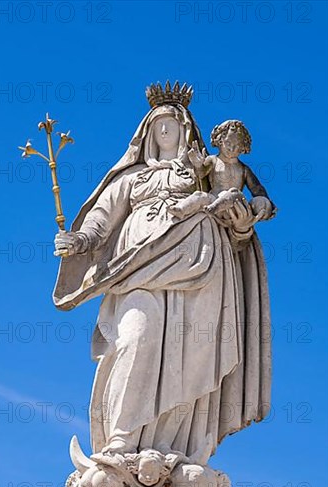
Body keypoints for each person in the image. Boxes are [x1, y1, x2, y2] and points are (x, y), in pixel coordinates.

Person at [53, 85, 274, 461]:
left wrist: (240, 219)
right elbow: (101, 220)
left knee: (192, 355)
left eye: (173, 124)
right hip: (137, 270)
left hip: (203, 273)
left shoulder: (206, 173)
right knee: (136, 336)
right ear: (148, 134)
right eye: (159, 125)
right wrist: (78, 241)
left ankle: (178, 448)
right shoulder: (132, 178)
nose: (167, 132)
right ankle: (121, 439)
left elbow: (238, 221)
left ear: (188, 130)